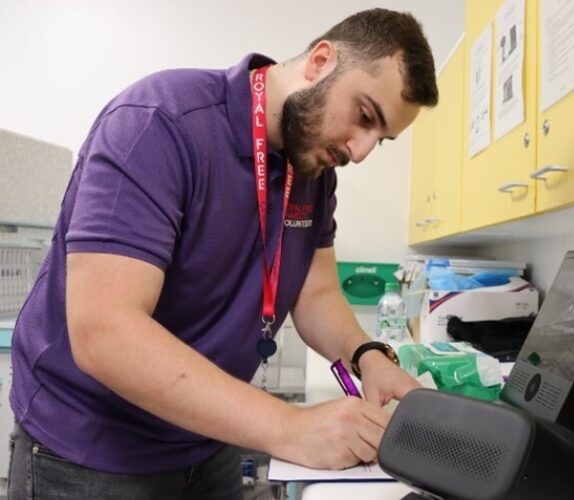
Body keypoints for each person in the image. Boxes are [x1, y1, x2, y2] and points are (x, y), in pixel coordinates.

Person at [7, 8, 438, 499]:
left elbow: (316, 293)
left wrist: (366, 355)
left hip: (208, 438)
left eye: (381, 140)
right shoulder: (159, 122)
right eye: (364, 116)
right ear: (320, 61)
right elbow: (104, 331)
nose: (360, 151)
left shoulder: (313, 170)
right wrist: (290, 427)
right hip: (91, 454)